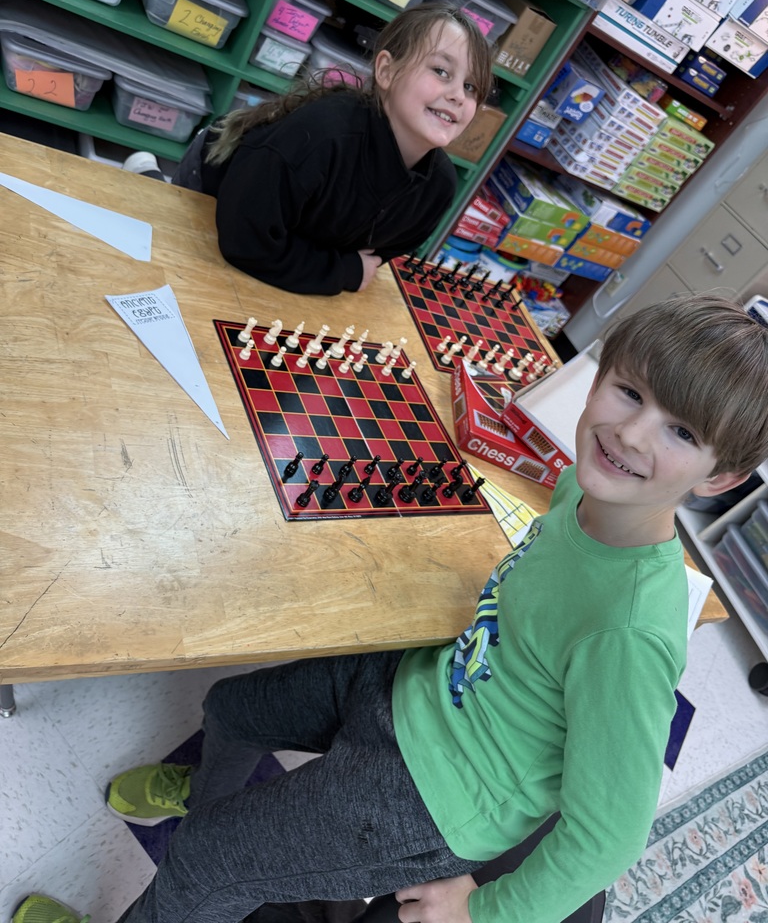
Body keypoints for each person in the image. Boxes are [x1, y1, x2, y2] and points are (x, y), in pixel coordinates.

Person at [17, 294, 768, 923]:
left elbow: (608, 837)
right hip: (427, 687)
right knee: (232, 709)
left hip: (435, 798)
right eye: (630, 393)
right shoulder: (582, 485)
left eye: (681, 432)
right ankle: (207, 818)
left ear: (720, 476)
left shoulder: (631, 629)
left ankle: (199, 870)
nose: (630, 434)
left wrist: (485, 910)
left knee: (206, 865)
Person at [126, 5, 492, 297]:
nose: (459, 94)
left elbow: (376, 253)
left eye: (472, 86)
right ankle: (149, 177)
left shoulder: (439, 186)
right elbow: (244, 244)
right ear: (386, 71)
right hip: (221, 178)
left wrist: (327, 262)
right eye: (441, 71)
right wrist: (341, 270)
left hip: (285, 224)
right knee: (171, 256)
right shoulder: (319, 137)